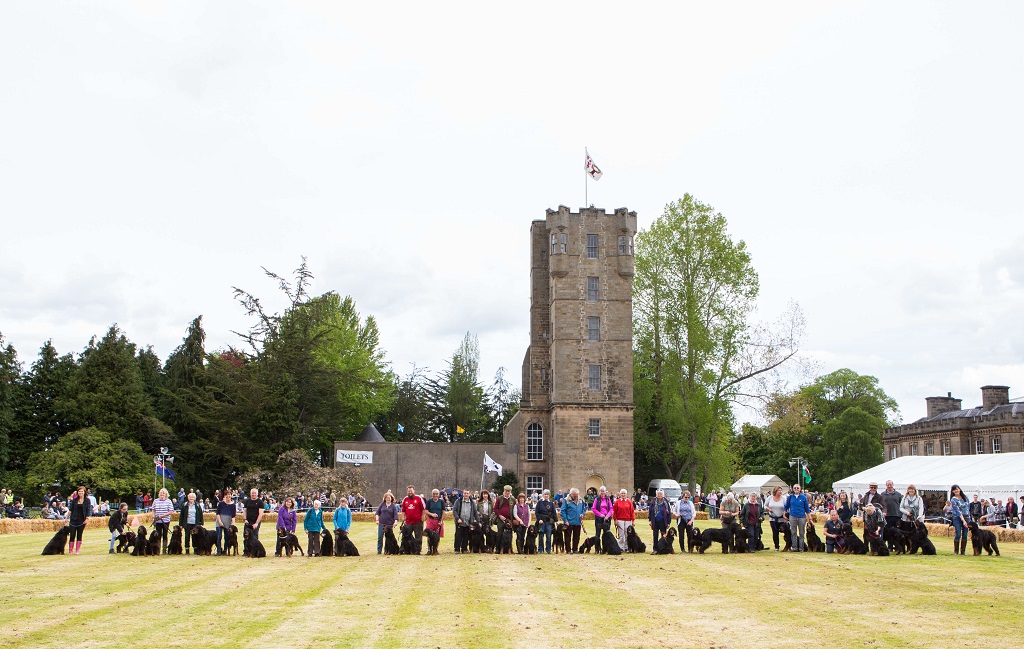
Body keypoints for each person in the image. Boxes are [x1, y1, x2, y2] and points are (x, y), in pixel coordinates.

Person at [785, 484, 811, 552]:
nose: (796, 489)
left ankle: (801, 548)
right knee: (793, 532)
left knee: (801, 533)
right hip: (792, 516)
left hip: (801, 517)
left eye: (797, 488)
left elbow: (807, 508)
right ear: (793, 489)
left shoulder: (803, 497)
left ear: (800, 489)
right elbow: (786, 506)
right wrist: (784, 514)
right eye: (795, 488)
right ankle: (794, 547)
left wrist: (809, 518)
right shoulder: (790, 497)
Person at [401, 486, 426, 554]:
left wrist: (423, 517)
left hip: (418, 522)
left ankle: (418, 550)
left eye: (411, 491)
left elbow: (423, 509)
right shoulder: (405, 499)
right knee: (406, 536)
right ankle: (407, 550)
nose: (410, 492)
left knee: (418, 537)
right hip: (408, 522)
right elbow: (403, 511)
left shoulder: (419, 498)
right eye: (408, 491)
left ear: (414, 491)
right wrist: (403, 519)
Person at [67, 486, 91, 555]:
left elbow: (88, 510)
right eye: (79, 491)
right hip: (73, 520)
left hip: (82, 520)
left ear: (84, 492)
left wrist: (87, 518)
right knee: (72, 535)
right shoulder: (74, 500)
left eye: (82, 491)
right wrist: (66, 518)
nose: (80, 492)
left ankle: (77, 550)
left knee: (79, 535)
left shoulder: (87, 500)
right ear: (77, 492)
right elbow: (70, 510)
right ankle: (70, 550)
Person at [560, 488, 586, 553]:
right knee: (567, 537)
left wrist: (582, 514)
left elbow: (584, 508)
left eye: (577, 495)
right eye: (575, 495)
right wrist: (565, 520)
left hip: (578, 522)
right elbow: (562, 511)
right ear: (571, 494)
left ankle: (575, 549)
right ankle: (568, 550)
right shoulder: (566, 500)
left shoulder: (581, 500)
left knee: (576, 537)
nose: (576, 496)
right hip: (569, 522)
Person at [452, 489, 477, 553]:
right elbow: (454, 510)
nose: (466, 495)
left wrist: (478, 521)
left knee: (466, 536)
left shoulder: (472, 502)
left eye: (467, 493)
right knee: (458, 536)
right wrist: (457, 518)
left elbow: (475, 512)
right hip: (459, 522)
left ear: (469, 494)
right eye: (465, 493)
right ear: (463, 494)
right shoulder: (458, 501)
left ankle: (464, 549)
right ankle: (457, 549)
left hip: (468, 522)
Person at [590, 486, 614, 553]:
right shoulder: (597, 499)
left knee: (606, 534)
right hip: (599, 519)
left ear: (605, 492)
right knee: (598, 534)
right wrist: (600, 514)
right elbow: (593, 509)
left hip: (607, 519)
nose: (602, 492)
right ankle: (597, 549)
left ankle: (605, 549)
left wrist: (608, 515)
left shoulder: (608, 499)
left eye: (603, 491)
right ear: (599, 492)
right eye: (601, 491)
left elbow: (611, 508)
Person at [880, 480, 903, 551]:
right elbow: (881, 505)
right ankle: (889, 547)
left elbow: (901, 505)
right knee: (888, 533)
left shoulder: (898, 494)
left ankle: (897, 547)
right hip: (887, 516)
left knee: (897, 533)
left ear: (893, 485)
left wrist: (900, 514)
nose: (889, 486)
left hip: (896, 516)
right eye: (888, 485)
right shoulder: (882, 494)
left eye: (890, 484)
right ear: (886, 485)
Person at [948, 484, 970, 555]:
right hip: (957, 517)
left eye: (957, 489)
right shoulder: (953, 499)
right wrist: (963, 520)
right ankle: (956, 550)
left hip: (966, 516)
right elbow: (957, 511)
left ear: (959, 489)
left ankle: (963, 551)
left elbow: (967, 508)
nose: (956, 491)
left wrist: (967, 518)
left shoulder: (965, 497)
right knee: (958, 534)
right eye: (954, 490)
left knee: (965, 534)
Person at [152, 488, 174, 554]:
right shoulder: (155, 501)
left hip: (165, 521)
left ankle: (164, 550)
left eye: (163, 494)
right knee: (158, 535)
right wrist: (153, 516)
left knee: (165, 534)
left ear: (166, 495)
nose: (161, 495)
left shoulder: (169, 501)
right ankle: (157, 549)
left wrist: (163, 515)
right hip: (158, 521)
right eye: (160, 494)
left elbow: (171, 511)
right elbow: (153, 509)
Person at [535, 490, 558, 554]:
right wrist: (539, 519)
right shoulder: (539, 502)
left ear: (549, 495)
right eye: (545, 494)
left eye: (547, 494)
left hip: (548, 522)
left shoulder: (551, 503)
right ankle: (540, 549)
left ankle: (548, 549)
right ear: (543, 495)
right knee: (541, 536)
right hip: (541, 522)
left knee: (548, 536)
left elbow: (554, 513)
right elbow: (536, 512)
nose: (546, 496)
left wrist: (556, 521)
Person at [214, 489, 236, 555]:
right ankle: (219, 550)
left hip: (228, 524)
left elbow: (233, 516)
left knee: (227, 537)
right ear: (224, 496)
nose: (228, 496)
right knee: (219, 537)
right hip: (219, 522)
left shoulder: (233, 505)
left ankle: (225, 550)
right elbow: (217, 513)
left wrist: (233, 525)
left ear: (231, 495)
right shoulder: (221, 504)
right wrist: (220, 522)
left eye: (229, 494)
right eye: (226, 495)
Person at [493, 485, 515, 550]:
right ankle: (498, 549)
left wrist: (513, 519)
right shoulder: (499, 498)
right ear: (504, 491)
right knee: (499, 534)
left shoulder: (513, 499)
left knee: (509, 535)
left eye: (509, 491)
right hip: (501, 519)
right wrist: (500, 515)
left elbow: (515, 509)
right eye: (506, 491)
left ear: (510, 492)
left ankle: (509, 549)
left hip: (509, 520)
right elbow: (495, 508)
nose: (507, 492)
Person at [766, 486, 787, 551]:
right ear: (775, 491)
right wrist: (768, 509)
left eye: (781, 490)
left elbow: (786, 507)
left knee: (786, 532)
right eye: (779, 490)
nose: (780, 492)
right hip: (773, 518)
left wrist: (785, 515)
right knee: (775, 533)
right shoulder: (770, 498)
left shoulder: (784, 498)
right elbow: (764, 505)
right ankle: (776, 547)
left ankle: (788, 545)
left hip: (781, 518)